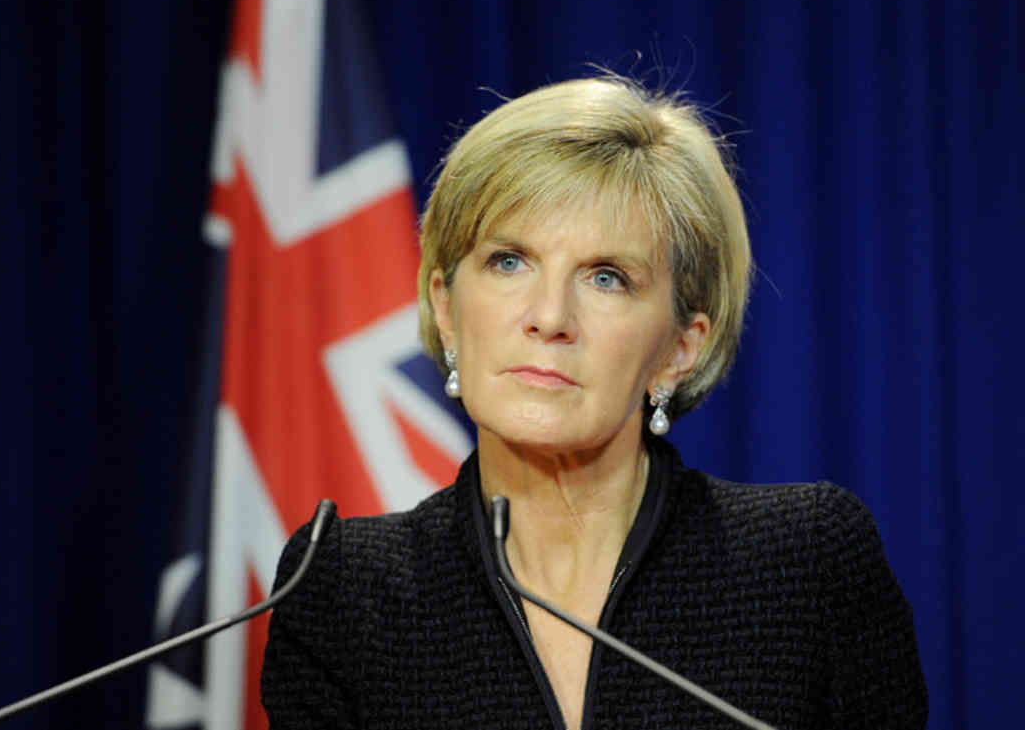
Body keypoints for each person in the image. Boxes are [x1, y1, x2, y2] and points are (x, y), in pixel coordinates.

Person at [261, 75, 928, 729]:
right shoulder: (344, 588)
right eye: (509, 261)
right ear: (445, 307)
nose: (550, 317)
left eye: (607, 278)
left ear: (679, 349)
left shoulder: (803, 565)